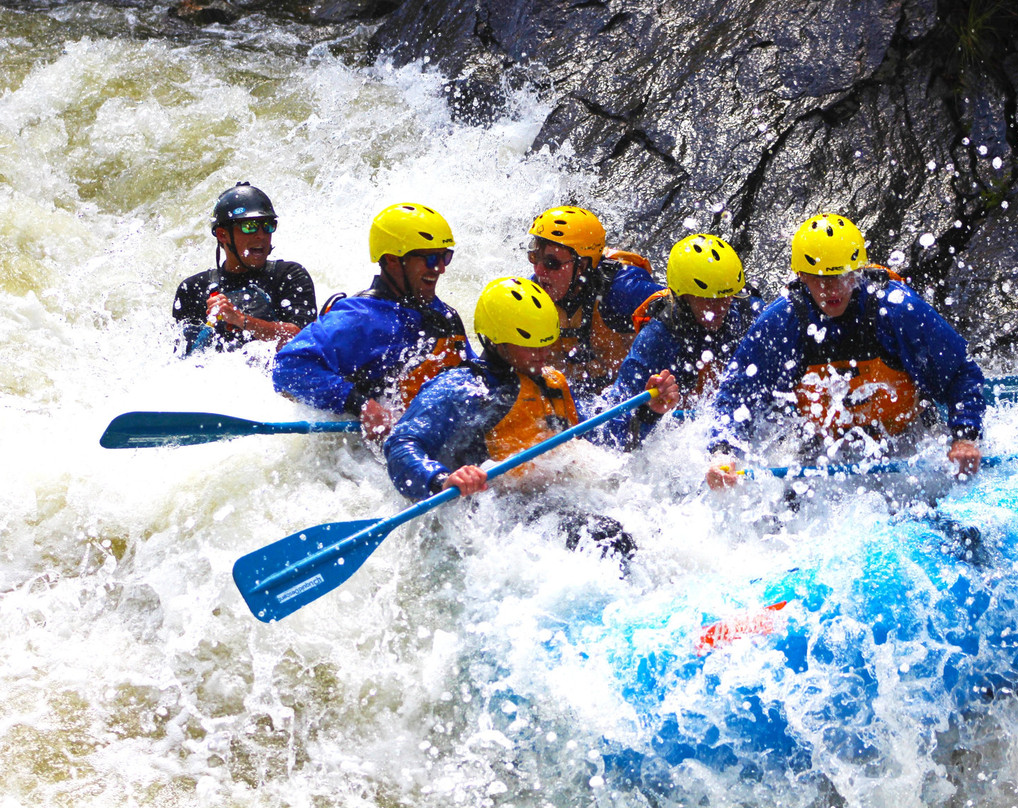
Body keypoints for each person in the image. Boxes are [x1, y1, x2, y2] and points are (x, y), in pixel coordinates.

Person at [384, 277, 679, 566]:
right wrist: (439, 479)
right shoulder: (463, 388)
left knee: (653, 524)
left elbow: (601, 441)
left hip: (557, 501)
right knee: (608, 537)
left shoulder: (551, 382)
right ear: (497, 340)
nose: (544, 354)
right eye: (531, 346)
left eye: (546, 342)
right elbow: (401, 443)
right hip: (498, 514)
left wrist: (649, 412)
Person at [706, 213, 985, 489]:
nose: (832, 288)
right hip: (820, 448)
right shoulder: (782, 321)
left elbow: (961, 372)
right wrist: (723, 454)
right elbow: (737, 394)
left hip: (907, 439)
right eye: (819, 278)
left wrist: (964, 436)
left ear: (857, 272)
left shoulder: (899, 309)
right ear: (801, 276)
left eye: (841, 275)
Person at [272, 203, 473, 440]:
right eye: (429, 258)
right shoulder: (358, 318)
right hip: (371, 458)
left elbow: (475, 378)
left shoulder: (444, 317)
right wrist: (362, 405)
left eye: (444, 256)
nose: (440, 269)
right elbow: (288, 367)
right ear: (392, 260)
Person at [602, 233, 763, 446]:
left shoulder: (750, 316)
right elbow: (611, 434)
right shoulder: (656, 339)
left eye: (726, 296)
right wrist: (650, 412)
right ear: (683, 296)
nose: (720, 308)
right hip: (683, 441)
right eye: (707, 299)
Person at [527, 206, 662, 399]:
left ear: (581, 266)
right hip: (579, 405)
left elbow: (683, 313)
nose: (539, 272)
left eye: (551, 263)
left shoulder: (623, 291)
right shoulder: (531, 299)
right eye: (534, 258)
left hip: (631, 400)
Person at [172, 182, 317, 355]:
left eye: (268, 225)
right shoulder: (193, 289)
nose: (261, 235)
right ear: (222, 235)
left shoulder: (289, 276)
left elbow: (303, 340)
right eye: (250, 226)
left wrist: (240, 319)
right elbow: (182, 361)